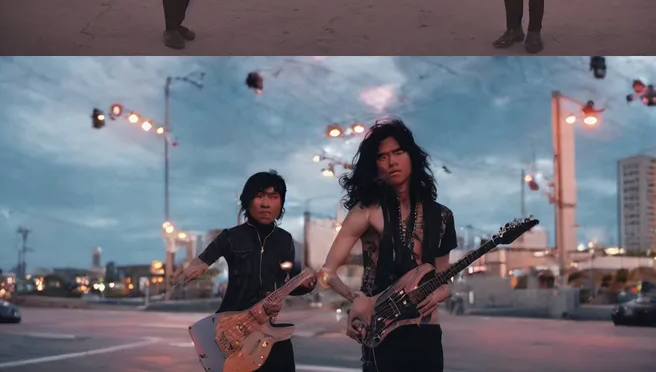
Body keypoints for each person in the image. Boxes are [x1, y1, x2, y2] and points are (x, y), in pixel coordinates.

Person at [320, 119, 459, 371]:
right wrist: (357, 299)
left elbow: (443, 278)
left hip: (425, 329)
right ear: (375, 165)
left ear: (412, 156)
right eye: (382, 157)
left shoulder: (442, 216)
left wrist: (439, 293)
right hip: (380, 328)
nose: (392, 161)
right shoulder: (366, 212)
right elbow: (327, 272)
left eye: (398, 152)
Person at [178, 171, 315, 372]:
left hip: (265, 328)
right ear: (247, 201)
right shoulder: (230, 237)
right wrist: (194, 267)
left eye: (273, 197)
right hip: (229, 328)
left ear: (281, 203)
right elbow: (201, 261)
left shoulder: (286, 240)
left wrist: (306, 286)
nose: (266, 204)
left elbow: (290, 284)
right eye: (259, 196)